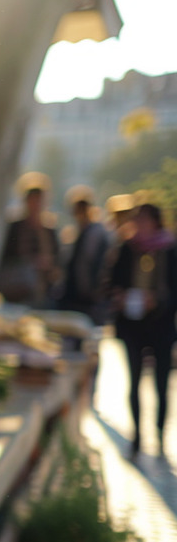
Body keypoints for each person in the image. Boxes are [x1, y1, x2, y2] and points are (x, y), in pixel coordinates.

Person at [108, 202, 177, 457]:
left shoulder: (169, 249)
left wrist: (157, 300)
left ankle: (159, 433)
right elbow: (111, 281)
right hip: (132, 325)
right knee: (134, 380)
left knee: (161, 382)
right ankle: (137, 435)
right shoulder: (126, 248)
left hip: (161, 326)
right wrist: (120, 296)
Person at [0, 177, 61, 307]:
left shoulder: (49, 232)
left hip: (41, 291)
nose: (36, 205)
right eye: (33, 201)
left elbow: (57, 263)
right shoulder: (14, 228)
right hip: (15, 288)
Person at [56, 186, 112, 323]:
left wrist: (93, 291)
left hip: (88, 297)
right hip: (74, 294)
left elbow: (92, 264)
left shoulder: (96, 233)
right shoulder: (74, 233)